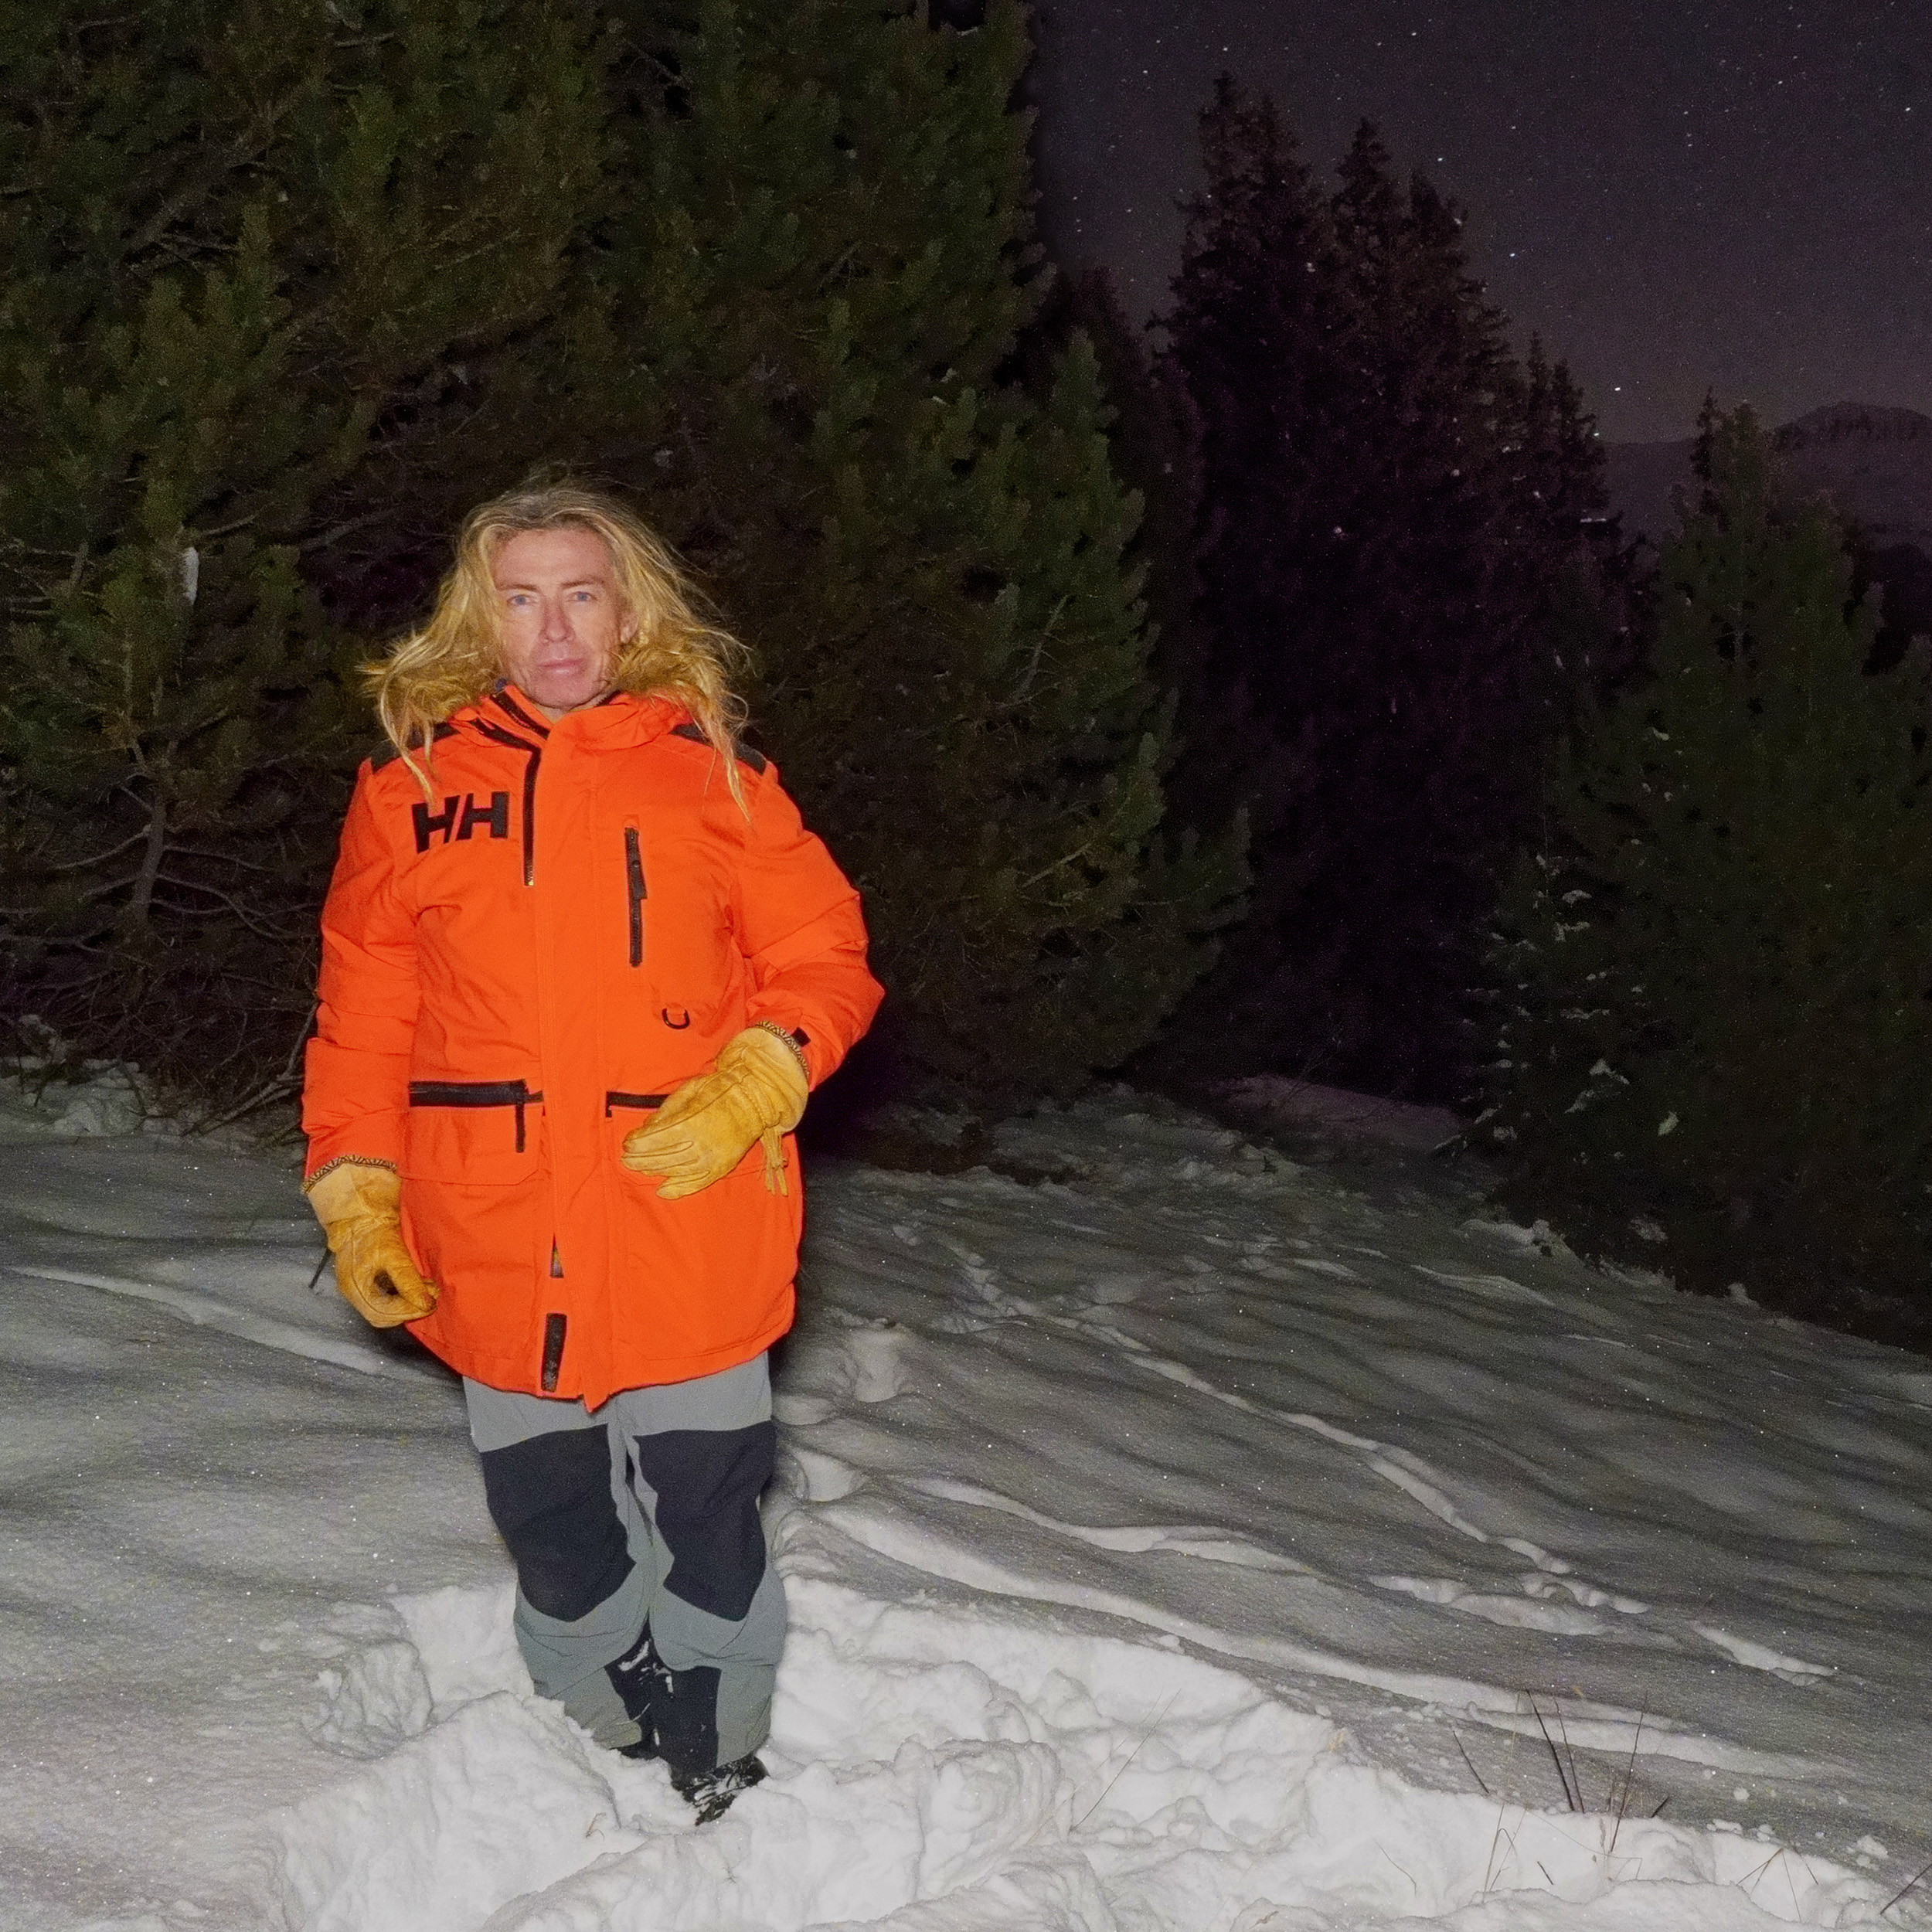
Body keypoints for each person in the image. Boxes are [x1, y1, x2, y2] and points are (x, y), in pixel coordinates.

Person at [299, 482, 882, 1821]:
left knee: (710, 1512)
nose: (553, 629)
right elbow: (364, 1003)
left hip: (687, 1213)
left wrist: (765, 1067)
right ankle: (598, 1681)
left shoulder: (717, 775)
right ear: (481, 617)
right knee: (555, 1527)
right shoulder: (412, 789)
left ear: (629, 613)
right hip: (496, 1226)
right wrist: (356, 1181)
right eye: (520, 597)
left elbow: (826, 957)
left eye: (581, 594)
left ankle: (716, 1719)